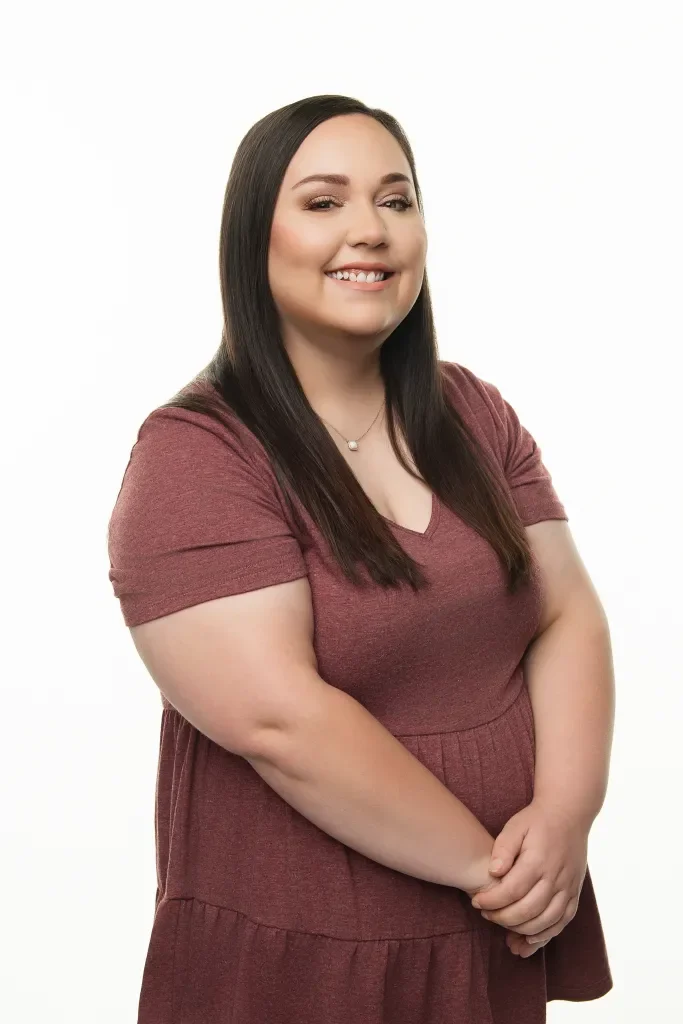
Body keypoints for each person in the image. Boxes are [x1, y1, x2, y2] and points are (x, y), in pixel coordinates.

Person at [107, 94, 615, 1023]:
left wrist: (566, 817)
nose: (369, 231)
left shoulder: (473, 413)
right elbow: (278, 721)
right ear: (251, 239)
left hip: (492, 932)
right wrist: (492, 869)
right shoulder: (196, 456)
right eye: (323, 202)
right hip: (309, 956)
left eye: (395, 199)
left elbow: (565, 611)